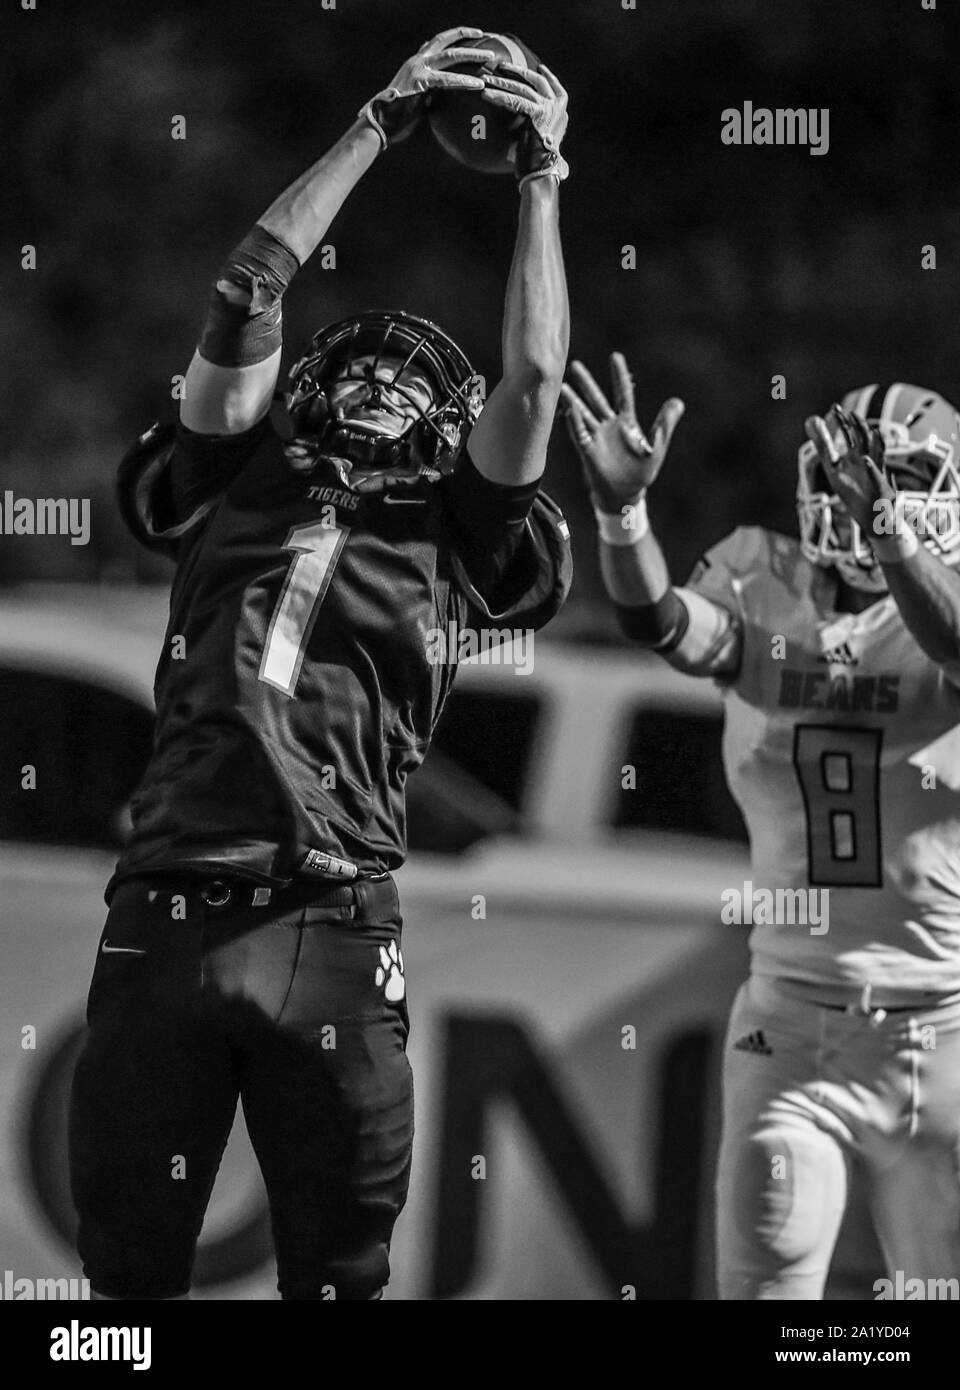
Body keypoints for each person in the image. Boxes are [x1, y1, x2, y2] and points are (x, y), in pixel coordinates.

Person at [69, 28, 572, 1302]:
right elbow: (247, 290)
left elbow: (536, 371)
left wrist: (543, 183)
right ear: (308, 391)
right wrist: (378, 121)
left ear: (448, 437)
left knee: (340, 1284)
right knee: (119, 1302)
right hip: (171, 906)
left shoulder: (458, 524)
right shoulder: (243, 467)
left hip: (334, 919)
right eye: (364, 369)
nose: (388, 386)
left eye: (419, 390)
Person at [563, 357, 960, 1300]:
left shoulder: (939, 615)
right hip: (788, 1025)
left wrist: (892, 536)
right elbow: (657, 619)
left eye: (902, 484)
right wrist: (624, 514)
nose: (870, 501)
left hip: (945, 1031)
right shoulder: (761, 577)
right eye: (860, 481)